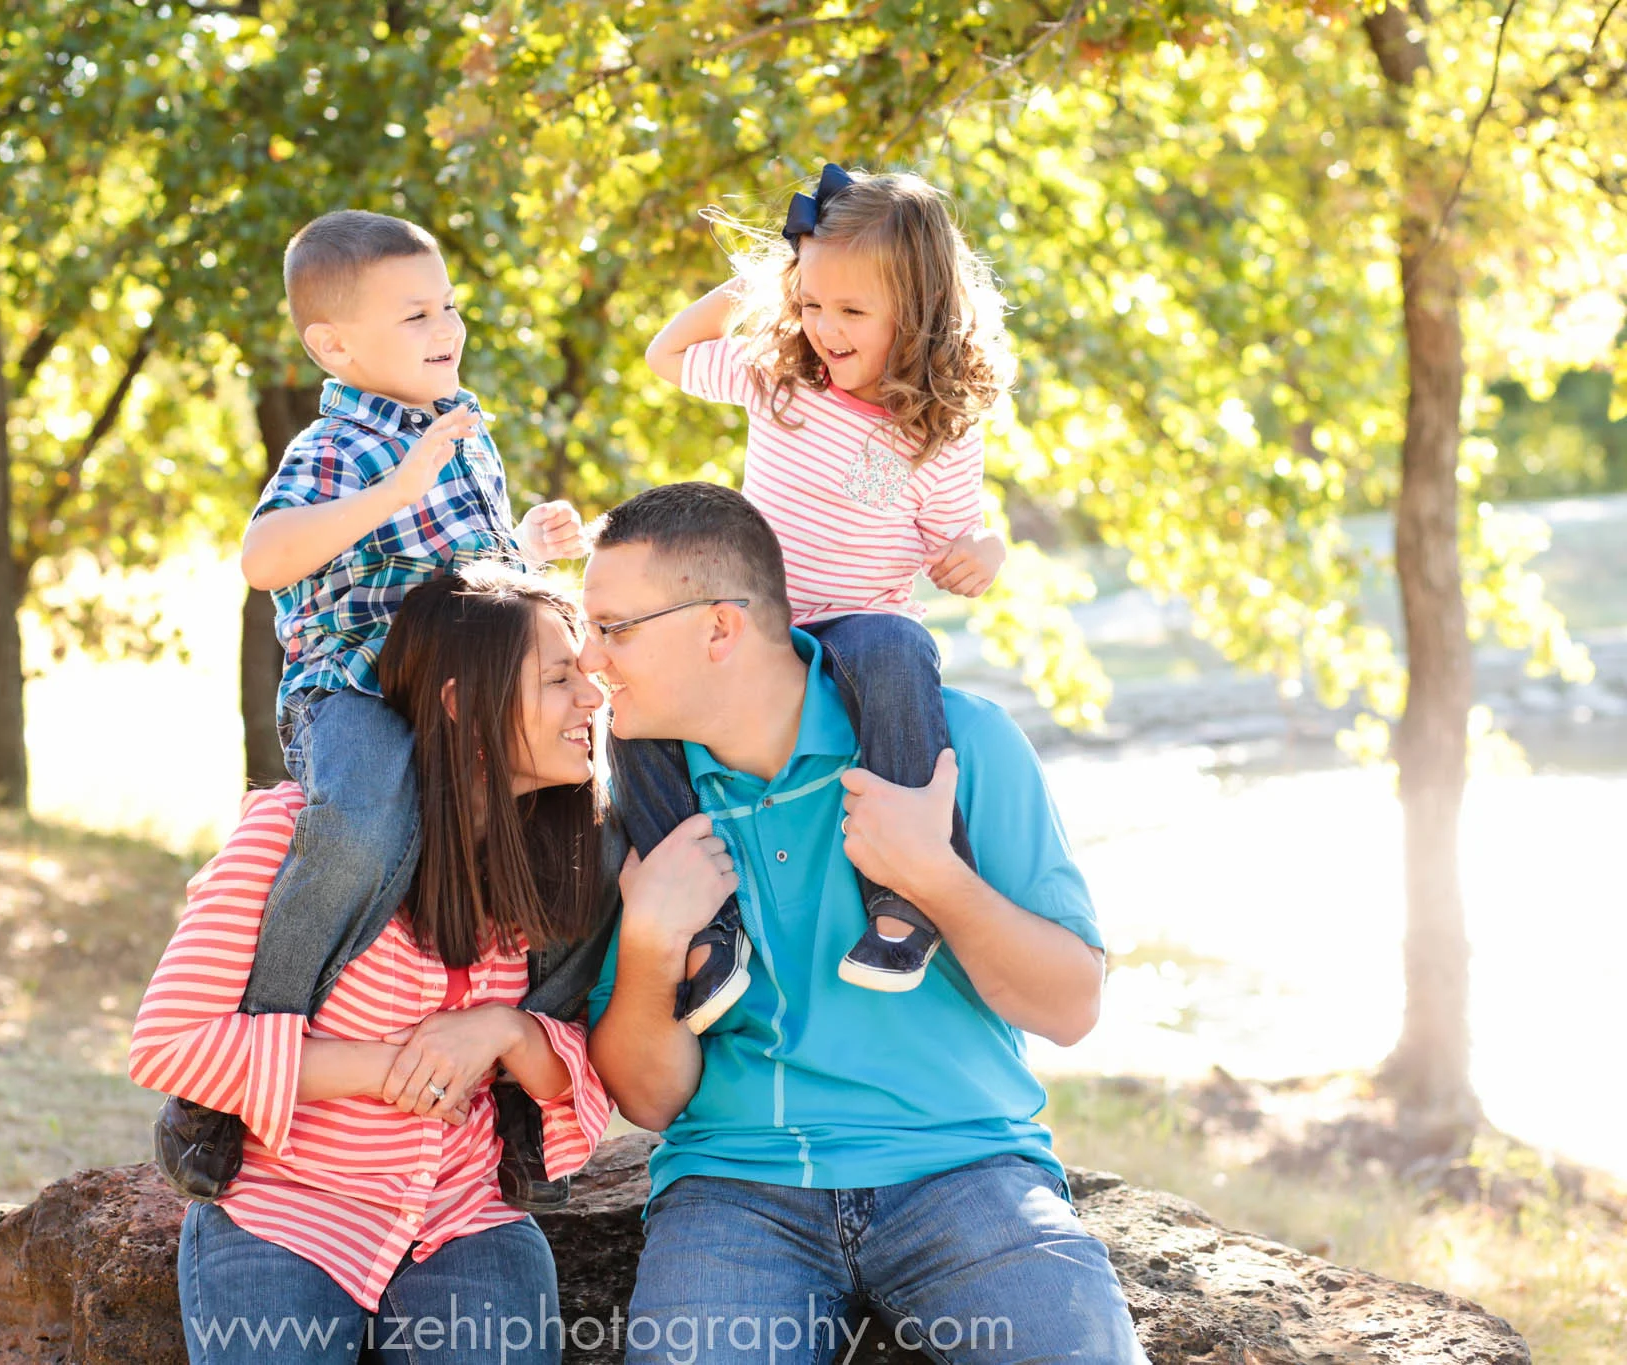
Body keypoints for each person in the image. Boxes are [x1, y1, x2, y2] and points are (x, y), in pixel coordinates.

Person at [580, 483, 1146, 1365]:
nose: (588, 658)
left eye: (613, 628)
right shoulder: (646, 812)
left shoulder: (959, 748)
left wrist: (931, 876)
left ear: (719, 628)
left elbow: (1071, 1006)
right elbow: (649, 1099)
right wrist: (653, 943)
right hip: (736, 1189)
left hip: (963, 1166)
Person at [154, 209, 590, 1206]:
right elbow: (263, 558)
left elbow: (467, 583)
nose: (445, 328)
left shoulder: (458, 429)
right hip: (353, 697)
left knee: (581, 838)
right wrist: (397, 484)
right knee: (359, 828)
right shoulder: (339, 443)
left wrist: (528, 545)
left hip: (461, 706)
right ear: (336, 345)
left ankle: (524, 1092)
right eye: (414, 315)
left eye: (448, 306)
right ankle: (239, 1072)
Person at [130, 569, 616, 1365]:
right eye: (559, 680)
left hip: (464, 1214)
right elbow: (169, 1045)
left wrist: (499, 1031)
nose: (590, 700)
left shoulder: (562, 865)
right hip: (283, 1210)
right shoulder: (301, 836)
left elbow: (579, 1086)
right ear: (463, 705)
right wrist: (387, 1068)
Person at [636, 163, 1014, 1023]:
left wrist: (982, 553)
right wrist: (761, 284)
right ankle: (709, 932)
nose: (824, 329)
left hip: (856, 628)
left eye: (851, 311)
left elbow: (952, 538)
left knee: (897, 646)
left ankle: (905, 898)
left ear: (917, 309)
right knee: (636, 713)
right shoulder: (780, 378)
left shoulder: (941, 427)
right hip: (757, 622)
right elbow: (667, 355)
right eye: (810, 303)